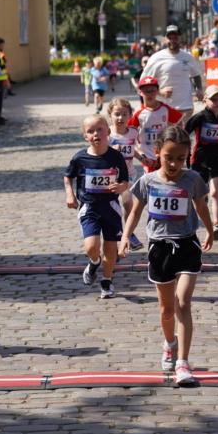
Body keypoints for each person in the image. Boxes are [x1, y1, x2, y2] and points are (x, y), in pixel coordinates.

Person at [119, 126, 214, 386]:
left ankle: (183, 362)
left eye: (180, 158)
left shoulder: (193, 179)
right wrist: (126, 235)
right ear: (158, 152)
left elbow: (201, 206)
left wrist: (210, 230)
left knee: (183, 303)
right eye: (168, 157)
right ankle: (170, 343)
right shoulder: (148, 181)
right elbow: (135, 211)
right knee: (167, 310)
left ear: (187, 156)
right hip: (159, 247)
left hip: (187, 245)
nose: (174, 164)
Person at [63, 114, 129, 300]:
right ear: (85, 136)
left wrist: (121, 187)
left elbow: (125, 181)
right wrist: (70, 194)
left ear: (108, 132)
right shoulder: (80, 158)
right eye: (90, 131)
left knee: (111, 248)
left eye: (100, 129)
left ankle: (106, 281)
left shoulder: (116, 157)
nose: (96, 134)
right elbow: (68, 176)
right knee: (91, 247)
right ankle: (94, 262)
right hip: (89, 207)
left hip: (110, 207)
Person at [185, 85, 218, 240]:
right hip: (199, 159)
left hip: (217, 159)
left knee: (215, 192)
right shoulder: (200, 117)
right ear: (205, 100)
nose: (217, 102)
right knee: (199, 195)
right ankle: (195, 223)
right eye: (213, 99)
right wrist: (185, 151)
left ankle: (217, 226)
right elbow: (185, 132)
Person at [141, 25, 205, 125]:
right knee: (167, 135)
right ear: (165, 39)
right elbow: (143, 82)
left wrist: (199, 89)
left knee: (182, 134)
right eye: (169, 38)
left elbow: (196, 74)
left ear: (180, 38)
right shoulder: (156, 58)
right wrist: (160, 92)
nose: (172, 40)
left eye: (175, 37)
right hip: (164, 108)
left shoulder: (188, 57)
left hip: (186, 107)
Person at [107, 97, 143, 250]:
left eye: (124, 114)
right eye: (117, 114)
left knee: (128, 204)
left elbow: (133, 150)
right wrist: (110, 151)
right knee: (112, 208)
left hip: (128, 175)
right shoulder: (107, 134)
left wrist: (142, 158)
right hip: (110, 177)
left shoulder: (133, 133)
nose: (120, 118)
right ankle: (115, 237)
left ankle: (129, 233)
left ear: (130, 116)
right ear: (110, 115)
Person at [127, 76, 182, 172]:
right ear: (140, 92)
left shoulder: (165, 109)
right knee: (149, 176)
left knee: (165, 176)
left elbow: (179, 123)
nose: (150, 94)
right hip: (146, 152)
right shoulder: (138, 113)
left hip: (163, 151)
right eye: (146, 91)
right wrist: (137, 149)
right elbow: (129, 131)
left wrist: (175, 140)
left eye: (152, 90)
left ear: (157, 91)